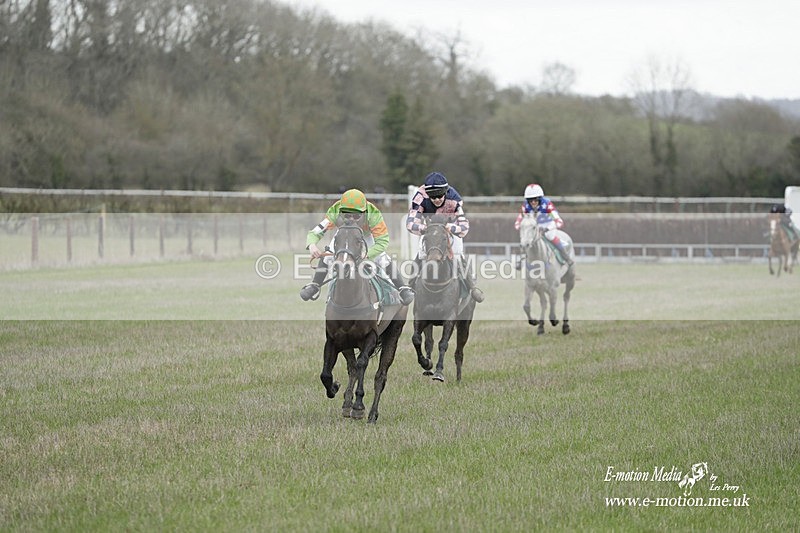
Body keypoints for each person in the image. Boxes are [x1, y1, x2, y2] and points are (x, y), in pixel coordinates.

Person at [299, 188, 414, 305]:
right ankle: (315, 285)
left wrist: (367, 254)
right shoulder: (335, 210)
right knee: (328, 256)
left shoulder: (373, 214)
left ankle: (402, 288)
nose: (351, 219)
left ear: (364, 212)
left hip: (366, 237)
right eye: (347, 215)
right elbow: (315, 232)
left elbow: (382, 241)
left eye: (356, 216)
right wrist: (312, 245)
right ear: (340, 210)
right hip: (344, 235)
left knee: (383, 259)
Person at [406, 171, 484, 303]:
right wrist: (423, 228)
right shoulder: (419, 197)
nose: (437, 200)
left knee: (458, 255)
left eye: (440, 196)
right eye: (433, 197)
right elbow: (410, 223)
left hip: (450, 230)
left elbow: (464, 228)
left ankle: (472, 288)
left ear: (445, 192)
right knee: (421, 253)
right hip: (430, 230)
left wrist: (451, 228)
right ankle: (410, 285)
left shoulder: (454, 199)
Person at [514, 183, 574, 266]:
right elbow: (521, 217)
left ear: (540, 199)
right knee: (525, 239)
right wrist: (518, 224)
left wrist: (548, 228)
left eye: (535, 200)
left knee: (550, 236)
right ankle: (521, 260)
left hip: (548, 224)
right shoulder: (526, 206)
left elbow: (558, 221)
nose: (533, 202)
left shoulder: (547, 204)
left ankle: (566, 257)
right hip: (534, 225)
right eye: (530, 200)